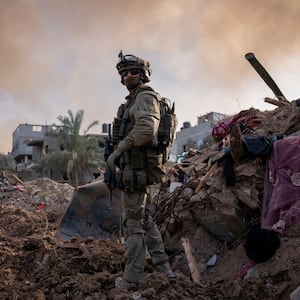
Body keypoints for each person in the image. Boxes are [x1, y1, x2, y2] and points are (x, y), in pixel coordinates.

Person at [107, 51, 175, 291]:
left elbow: (147, 129)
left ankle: (132, 279)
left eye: (133, 71)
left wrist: (118, 151)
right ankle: (165, 269)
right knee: (145, 221)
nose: (127, 76)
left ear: (144, 74)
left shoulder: (145, 98)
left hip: (136, 172)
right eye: (123, 73)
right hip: (135, 171)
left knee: (133, 224)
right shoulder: (134, 100)